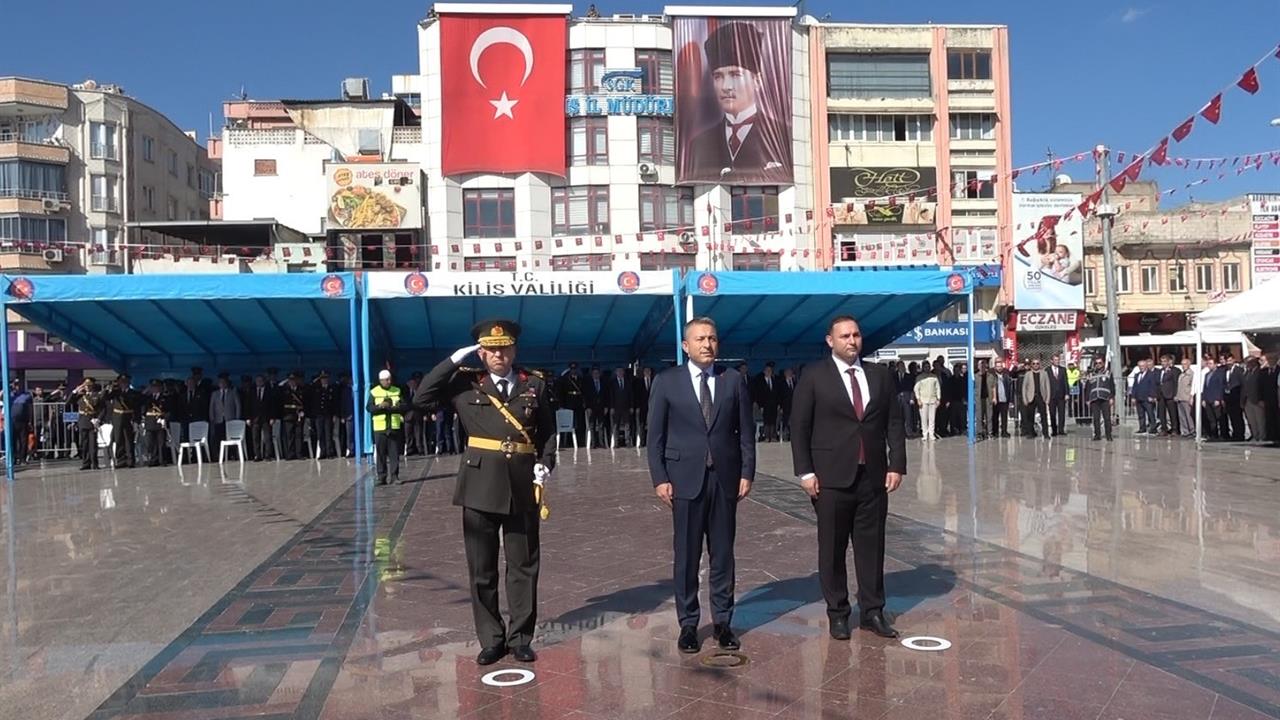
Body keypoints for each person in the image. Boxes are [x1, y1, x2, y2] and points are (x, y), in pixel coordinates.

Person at [414, 320, 556, 666]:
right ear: (480, 352)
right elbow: (421, 399)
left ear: (514, 350)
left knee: (523, 565)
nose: (498, 354)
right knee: (482, 568)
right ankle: (492, 638)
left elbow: (548, 431)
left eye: (504, 348)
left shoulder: (533, 384)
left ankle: (521, 637)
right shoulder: (464, 383)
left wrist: (547, 463)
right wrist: (451, 361)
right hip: (479, 486)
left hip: (522, 483)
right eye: (491, 349)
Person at [790, 315, 906, 640]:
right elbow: (799, 426)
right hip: (830, 479)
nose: (851, 341)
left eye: (856, 335)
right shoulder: (813, 376)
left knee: (872, 548)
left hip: (872, 477)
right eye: (844, 336)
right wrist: (805, 471)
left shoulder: (879, 376)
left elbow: (894, 423)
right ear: (830, 341)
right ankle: (838, 613)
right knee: (832, 548)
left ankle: (873, 611)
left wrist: (896, 464)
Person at [646, 316, 755, 655]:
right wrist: (660, 478)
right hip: (684, 481)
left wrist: (747, 472)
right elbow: (655, 437)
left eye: (712, 338)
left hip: (724, 480)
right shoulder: (667, 382)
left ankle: (723, 622)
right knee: (687, 556)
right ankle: (689, 624)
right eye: (700, 339)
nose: (707, 344)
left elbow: (746, 434)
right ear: (685, 346)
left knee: (723, 555)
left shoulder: (733, 381)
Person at [684, 22, 791, 184]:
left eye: (735, 75)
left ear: (757, 80)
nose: (726, 87)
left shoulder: (782, 135)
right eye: (718, 76)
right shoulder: (699, 143)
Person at [369, 369, 408, 485]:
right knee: (381, 454)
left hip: (393, 426)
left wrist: (395, 407)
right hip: (380, 427)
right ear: (381, 381)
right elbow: (369, 408)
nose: (389, 381)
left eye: (390, 379)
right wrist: (380, 406)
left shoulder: (397, 390)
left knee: (394, 453)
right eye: (386, 380)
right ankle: (381, 477)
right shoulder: (374, 392)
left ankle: (395, 476)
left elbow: (404, 405)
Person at [99, 375, 141, 467]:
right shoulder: (115, 393)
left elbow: (137, 408)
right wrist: (107, 389)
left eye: (125, 382)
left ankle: (130, 461)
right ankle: (121, 461)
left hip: (128, 417)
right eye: (122, 382)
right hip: (117, 417)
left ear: (129, 383)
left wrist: (136, 420)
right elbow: (103, 398)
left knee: (129, 440)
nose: (123, 384)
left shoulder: (134, 393)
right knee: (118, 439)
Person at [1082, 357, 1116, 441]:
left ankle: (1109, 435)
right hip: (1094, 399)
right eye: (1096, 363)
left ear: (1103, 363)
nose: (1098, 365)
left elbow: (1112, 387)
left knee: (1107, 418)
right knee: (1096, 418)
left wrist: (1112, 397)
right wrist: (1087, 399)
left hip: (1105, 398)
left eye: (1100, 363)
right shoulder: (1091, 374)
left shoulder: (1108, 373)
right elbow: (1087, 388)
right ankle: (1097, 435)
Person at [71, 379, 102, 470]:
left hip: (92, 421)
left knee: (93, 444)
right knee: (84, 444)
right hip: (83, 421)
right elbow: (69, 402)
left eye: (89, 385)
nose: (87, 387)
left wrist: (98, 419)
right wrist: (75, 391)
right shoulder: (80, 396)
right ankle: (85, 463)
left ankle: (94, 463)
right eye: (85, 385)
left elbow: (103, 409)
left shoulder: (97, 396)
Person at [246, 374, 277, 461]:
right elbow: (248, 405)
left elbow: (272, 406)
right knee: (256, 437)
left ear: (264, 381)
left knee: (267, 437)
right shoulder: (252, 391)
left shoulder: (269, 391)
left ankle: (268, 455)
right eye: (257, 381)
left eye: (260, 381)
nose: (259, 382)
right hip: (255, 418)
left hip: (266, 418)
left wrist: (272, 417)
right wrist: (248, 418)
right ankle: (257, 455)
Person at [308, 372, 338, 459]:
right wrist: (315, 381)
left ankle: (330, 453)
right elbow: (310, 394)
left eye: (325, 378)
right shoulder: (316, 389)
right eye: (322, 379)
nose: (324, 380)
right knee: (320, 434)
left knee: (328, 434)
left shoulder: (332, 389)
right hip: (319, 415)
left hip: (328, 415)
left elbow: (335, 403)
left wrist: (335, 414)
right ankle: (323, 452)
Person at [141, 380, 170, 466]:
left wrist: (165, 418)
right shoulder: (148, 398)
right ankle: (153, 459)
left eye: (157, 387)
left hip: (159, 421)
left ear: (161, 388)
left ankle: (162, 460)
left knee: (161, 443)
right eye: (153, 387)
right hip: (150, 422)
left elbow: (169, 410)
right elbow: (142, 405)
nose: (155, 389)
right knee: (150, 443)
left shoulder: (165, 398)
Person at [1020, 358, 1051, 439]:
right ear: (1031, 365)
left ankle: (1046, 434)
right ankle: (1030, 433)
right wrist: (1025, 399)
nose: (1035, 365)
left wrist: (1047, 398)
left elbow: (1047, 386)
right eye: (1034, 363)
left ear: (1039, 364)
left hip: (1041, 397)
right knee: (1030, 417)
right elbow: (1024, 387)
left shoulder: (1044, 373)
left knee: (1044, 416)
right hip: (1031, 397)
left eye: (1037, 363)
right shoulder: (1028, 374)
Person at [280, 372, 306, 460]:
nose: (292, 382)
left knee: (299, 435)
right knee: (289, 436)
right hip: (288, 415)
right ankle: (290, 454)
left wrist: (302, 411)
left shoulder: (301, 390)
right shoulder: (284, 390)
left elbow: (305, 403)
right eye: (290, 380)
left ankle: (299, 454)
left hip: (298, 415)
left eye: (294, 380)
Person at [605, 367, 634, 447]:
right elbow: (611, 396)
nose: (620, 373)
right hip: (616, 407)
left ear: (623, 372)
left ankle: (627, 442)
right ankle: (616, 442)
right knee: (615, 425)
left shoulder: (628, 382)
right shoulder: (612, 383)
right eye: (618, 371)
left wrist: (631, 406)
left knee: (627, 425)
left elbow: (631, 395)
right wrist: (612, 407)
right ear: (616, 373)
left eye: (621, 371)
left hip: (626, 407)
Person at [985, 358, 1014, 438]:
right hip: (995, 399)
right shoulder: (991, 375)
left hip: (1004, 399)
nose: (999, 368)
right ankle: (995, 432)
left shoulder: (1006, 375)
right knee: (995, 417)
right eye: (997, 366)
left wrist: (1010, 400)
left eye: (1000, 366)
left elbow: (1010, 387)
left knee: (1004, 417)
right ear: (995, 367)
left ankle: (1004, 432)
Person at [1243, 356, 1268, 444]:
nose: (1247, 364)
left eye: (1249, 362)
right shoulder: (1247, 373)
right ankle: (1255, 435)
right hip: (1247, 400)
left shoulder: (1260, 372)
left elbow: (1262, 387)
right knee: (1252, 420)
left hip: (1257, 400)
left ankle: (1262, 436)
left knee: (1260, 420)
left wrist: (1261, 399)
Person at [1155, 355, 1181, 436]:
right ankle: (1164, 429)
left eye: (1165, 361)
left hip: (1170, 395)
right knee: (1161, 413)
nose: (1163, 363)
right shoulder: (1160, 371)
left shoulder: (1174, 371)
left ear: (1169, 361)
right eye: (1162, 361)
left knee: (1172, 413)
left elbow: (1176, 383)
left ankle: (1175, 429)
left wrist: (1175, 394)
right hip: (1161, 395)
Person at [8, 380, 33, 466]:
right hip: (12, 421)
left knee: (23, 441)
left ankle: (22, 459)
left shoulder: (26, 396)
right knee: (13, 441)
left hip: (23, 421)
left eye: (18, 385)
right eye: (15, 385)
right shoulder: (10, 395)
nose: (17, 386)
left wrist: (30, 421)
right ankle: (14, 458)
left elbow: (30, 409)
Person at [1131, 359, 1157, 435]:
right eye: (1140, 366)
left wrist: (1152, 396)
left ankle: (1153, 428)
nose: (1141, 367)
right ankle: (1142, 428)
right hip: (1139, 398)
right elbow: (1134, 386)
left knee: (1150, 414)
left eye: (1142, 366)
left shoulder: (1151, 375)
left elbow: (1153, 386)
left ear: (1146, 366)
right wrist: (1133, 396)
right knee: (1141, 414)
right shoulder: (1137, 375)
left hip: (1147, 398)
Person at [583, 366, 607, 448]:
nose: (596, 375)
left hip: (601, 407)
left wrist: (606, 406)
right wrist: (587, 407)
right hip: (591, 408)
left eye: (597, 373)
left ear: (600, 374)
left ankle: (601, 442)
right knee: (592, 425)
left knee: (601, 425)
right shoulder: (588, 384)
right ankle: (593, 443)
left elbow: (606, 396)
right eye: (594, 373)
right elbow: (585, 396)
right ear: (592, 374)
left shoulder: (603, 382)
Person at [913, 368, 940, 441]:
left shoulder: (934, 377)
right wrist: (918, 399)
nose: (927, 368)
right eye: (925, 366)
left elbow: (938, 388)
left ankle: (931, 434)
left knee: (932, 418)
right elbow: (916, 389)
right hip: (923, 400)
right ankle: (925, 434)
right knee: (923, 418)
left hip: (933, 400)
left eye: (928, 366)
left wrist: (938, 398)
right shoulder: (919, 377)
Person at [1223, 354, 1245, 440]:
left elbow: (1243, 384)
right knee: (1231, 417)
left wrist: (1242, 397)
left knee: (1238, 417)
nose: (1229, 362)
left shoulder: (1239, 370)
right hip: (1228, 398)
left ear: (1234, 360)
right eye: (1227, 361)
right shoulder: (1225, 371)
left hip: (1237, 397)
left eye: (1230, 360)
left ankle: (1240, 434)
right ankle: (1235, 434)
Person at [1202, 357, 1226, 440]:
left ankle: (1223, 434)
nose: (1209, 365)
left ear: (1215, 364)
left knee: (1220, 418)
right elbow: (1205, 387)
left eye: (1211, 363)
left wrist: (1219, 399)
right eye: (1208, 364)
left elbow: (1221, 387)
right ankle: (1214, 434)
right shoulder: (1207, 375)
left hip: (1215, 399)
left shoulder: (1220, 373)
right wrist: (1204, 399)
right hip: (1208, 399)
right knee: (1211, 418)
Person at [1047, 354, 1068, 436]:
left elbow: (1066, 382)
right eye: (1055, 360)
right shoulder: (1047, 370)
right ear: (1051, 361)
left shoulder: (1063, 370)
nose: (1057, 361)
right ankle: (1054, 430)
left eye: (1058, 360)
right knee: (1052, 413)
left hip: (1061, 395)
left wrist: (1067, 393)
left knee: (1061, 413)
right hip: (1051, 396)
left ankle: (1061, 429)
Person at [1176, 357, 1196, 438]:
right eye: (1182, 364)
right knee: (1182, 416)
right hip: (1180, 398)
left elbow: (1193, 386)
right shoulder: (1181, 374)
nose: (1183, 366)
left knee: (1189, 416)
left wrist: (1191, 397)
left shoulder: (1191, 374)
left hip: (1186, 398)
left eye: (1185, 364)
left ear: (1189, 364)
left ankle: (1192, 430)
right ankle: (1185, 431)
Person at [634, 366, 655, 446]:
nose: (647, 373)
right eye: (645, 371)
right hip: (642, 407)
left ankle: (650, 442)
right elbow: (637, 396)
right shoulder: (639, 382)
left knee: (651, 424)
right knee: (641, 424)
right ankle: (642, 442)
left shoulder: (654, 381)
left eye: (648, 371)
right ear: (643, 373)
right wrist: (637, 407)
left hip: (652, 407)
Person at [779, 367, 797, 441]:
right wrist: (780, 406)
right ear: (785, 374)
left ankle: (793, 436)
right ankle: (785, 436)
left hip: (794, 406)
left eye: (791, 372)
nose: (790, 374)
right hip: (785, 406)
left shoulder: (795, 382)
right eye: (788, 373)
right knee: (785, 421)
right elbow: (780, 395)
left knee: (794, 421)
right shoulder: (782, 383)